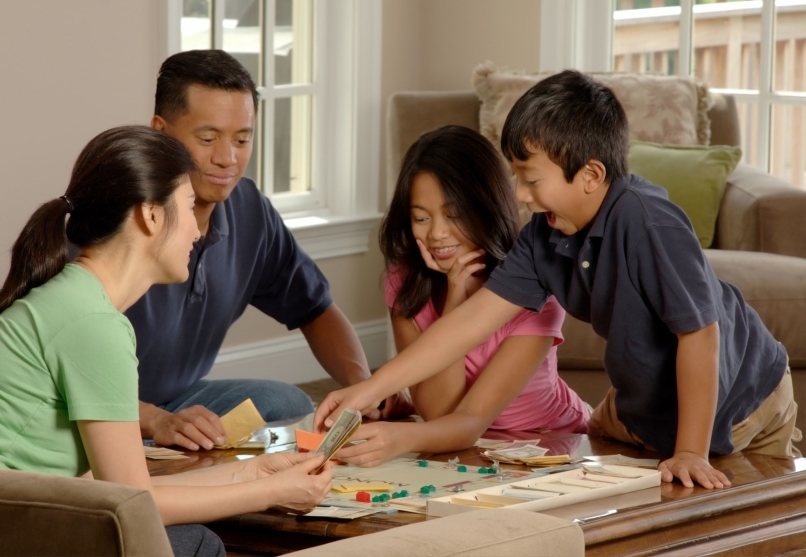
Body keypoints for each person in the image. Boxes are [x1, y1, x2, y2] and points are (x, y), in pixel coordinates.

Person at [315, 71, 800, 490]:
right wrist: (368, 389)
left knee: (736, 515)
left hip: (740, 397)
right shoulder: (542, 238)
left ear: (590, 175)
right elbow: (466, 326)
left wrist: (691, 450)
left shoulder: (649, 222)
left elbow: (700, 334)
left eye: (530, 179)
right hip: (643, 406)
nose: (521, 196)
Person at [0, 126, 333, 557]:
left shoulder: (70, 298)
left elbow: (111, 487)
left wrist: (256, 474)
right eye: (190, 206)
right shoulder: (92, 323)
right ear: (152, 215)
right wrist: (271, 493)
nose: (198, 233)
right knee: (195, 543)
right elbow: (133, 503)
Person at [129, 50, 410, 452]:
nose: (227, 158)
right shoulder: (119, 218)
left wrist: (361, 387)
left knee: (286, 401)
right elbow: (61, 374)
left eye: (242, 139)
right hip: (97, 412)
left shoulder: (248, 209)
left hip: (178, 399)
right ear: (160, 132)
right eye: (207, 139)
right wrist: (155, 421)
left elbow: (315, 308)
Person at [335, 126, 590, 467]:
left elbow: (469, 419)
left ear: (487, 206)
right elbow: (437, 411)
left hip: (550, 441)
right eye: (421, 218)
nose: (437, 233)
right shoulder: (405, 281)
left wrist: (401, 436)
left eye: (454, 215)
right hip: (463, 447)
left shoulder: (536, 289)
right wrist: (455, 298)